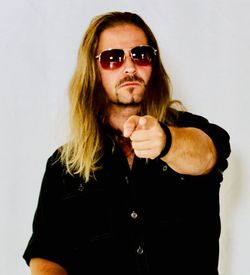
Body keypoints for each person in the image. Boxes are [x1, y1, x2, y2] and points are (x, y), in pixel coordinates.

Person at [23, 11, 231, 275]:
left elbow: (207, 155)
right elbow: (47, 254)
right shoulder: (63, 165)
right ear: (94, 70)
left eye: (140, 54)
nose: (130, 67)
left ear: (153, 65)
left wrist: (166, 141)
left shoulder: (190, 130)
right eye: (113, 58)